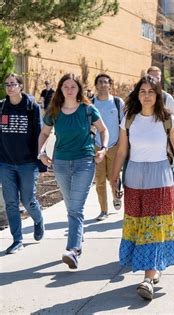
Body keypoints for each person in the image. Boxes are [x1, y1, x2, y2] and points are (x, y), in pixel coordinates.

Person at [110, 75, 174, 300]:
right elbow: (121, 151)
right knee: (139, 226)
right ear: (137, 95)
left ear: (158, 95)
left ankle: (148, 278)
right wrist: (113, 178)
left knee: (155, 226)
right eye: (142, 91)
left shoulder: (167, 119)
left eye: (151, 91)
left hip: (160, 178)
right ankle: (154, 266)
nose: (146, 95)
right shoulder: (129, 119)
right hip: (134, 178)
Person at [38, 73, 109, 269]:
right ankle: (78, 237)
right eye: (66, 86)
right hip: (60, 163)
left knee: (76, 208)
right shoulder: (54, 111)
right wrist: (41, 152)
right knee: (71, 208)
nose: (69, 90)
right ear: (61, 89)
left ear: (78, 89)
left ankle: (73, 249)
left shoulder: (88, 110)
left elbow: (103, 130)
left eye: (73, 87)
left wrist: (103, 149)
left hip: (84, 163)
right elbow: (44, 133)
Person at [0, 73, 46, 254]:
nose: (10, 87)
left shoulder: (31, 107)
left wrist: (41, 165)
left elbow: (39, 135)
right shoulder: (2, 107)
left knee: (28, 200)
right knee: (11, 203)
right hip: (5, 163)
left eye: (13, 84)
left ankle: (38, 219)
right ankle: (17, 239)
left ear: (20, 86)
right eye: (7, 84)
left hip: (28, 163)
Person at [91, 73, 125, 221]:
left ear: (110, 85)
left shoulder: (118, 102)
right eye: (100, 82)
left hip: (114, 146)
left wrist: (122, 143)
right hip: (96, 147)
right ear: (96, 86)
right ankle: (103, 210)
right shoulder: (90, 103)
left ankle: (116, 197)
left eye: (106, 82)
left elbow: (124, 125)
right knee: (99, 181)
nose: (103, 85)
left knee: (114, 179)